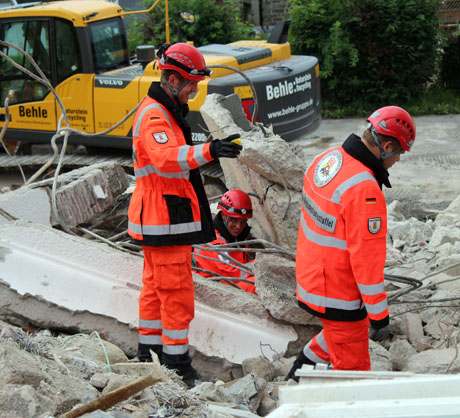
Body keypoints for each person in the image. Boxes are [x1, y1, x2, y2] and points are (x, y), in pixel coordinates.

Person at [127, 43, 242, 385]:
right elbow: (166, 159)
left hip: (161, 219)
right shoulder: (154, 115)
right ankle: (177, 365)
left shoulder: (164, 109)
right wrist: (209, 150)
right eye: (191, 83)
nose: (194, 89)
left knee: (154, 290)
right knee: (176, 294)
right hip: (165, 220)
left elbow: (172, 153)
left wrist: (202, 146)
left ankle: (148, 353)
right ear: (173, 79)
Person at [286, 106, 416, 380]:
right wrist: (379, 314)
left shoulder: (329, 158)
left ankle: (294, 378)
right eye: (399, 153)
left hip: (312, 278)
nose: (398, 161)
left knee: (334, 336)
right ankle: (299, 390)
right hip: (337, 293)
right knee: (354, 375)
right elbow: (366, 263)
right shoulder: (365, 190)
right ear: (387, 146)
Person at [194, 189, 256, 294]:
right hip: (215, 289)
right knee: (256, 285)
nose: (238, 226)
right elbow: (232, 273)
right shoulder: (213, 241)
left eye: (243, 221)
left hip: (226, 284)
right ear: (223, 215)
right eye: (234, 220)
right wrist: (260, 266)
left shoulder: (236, 236)